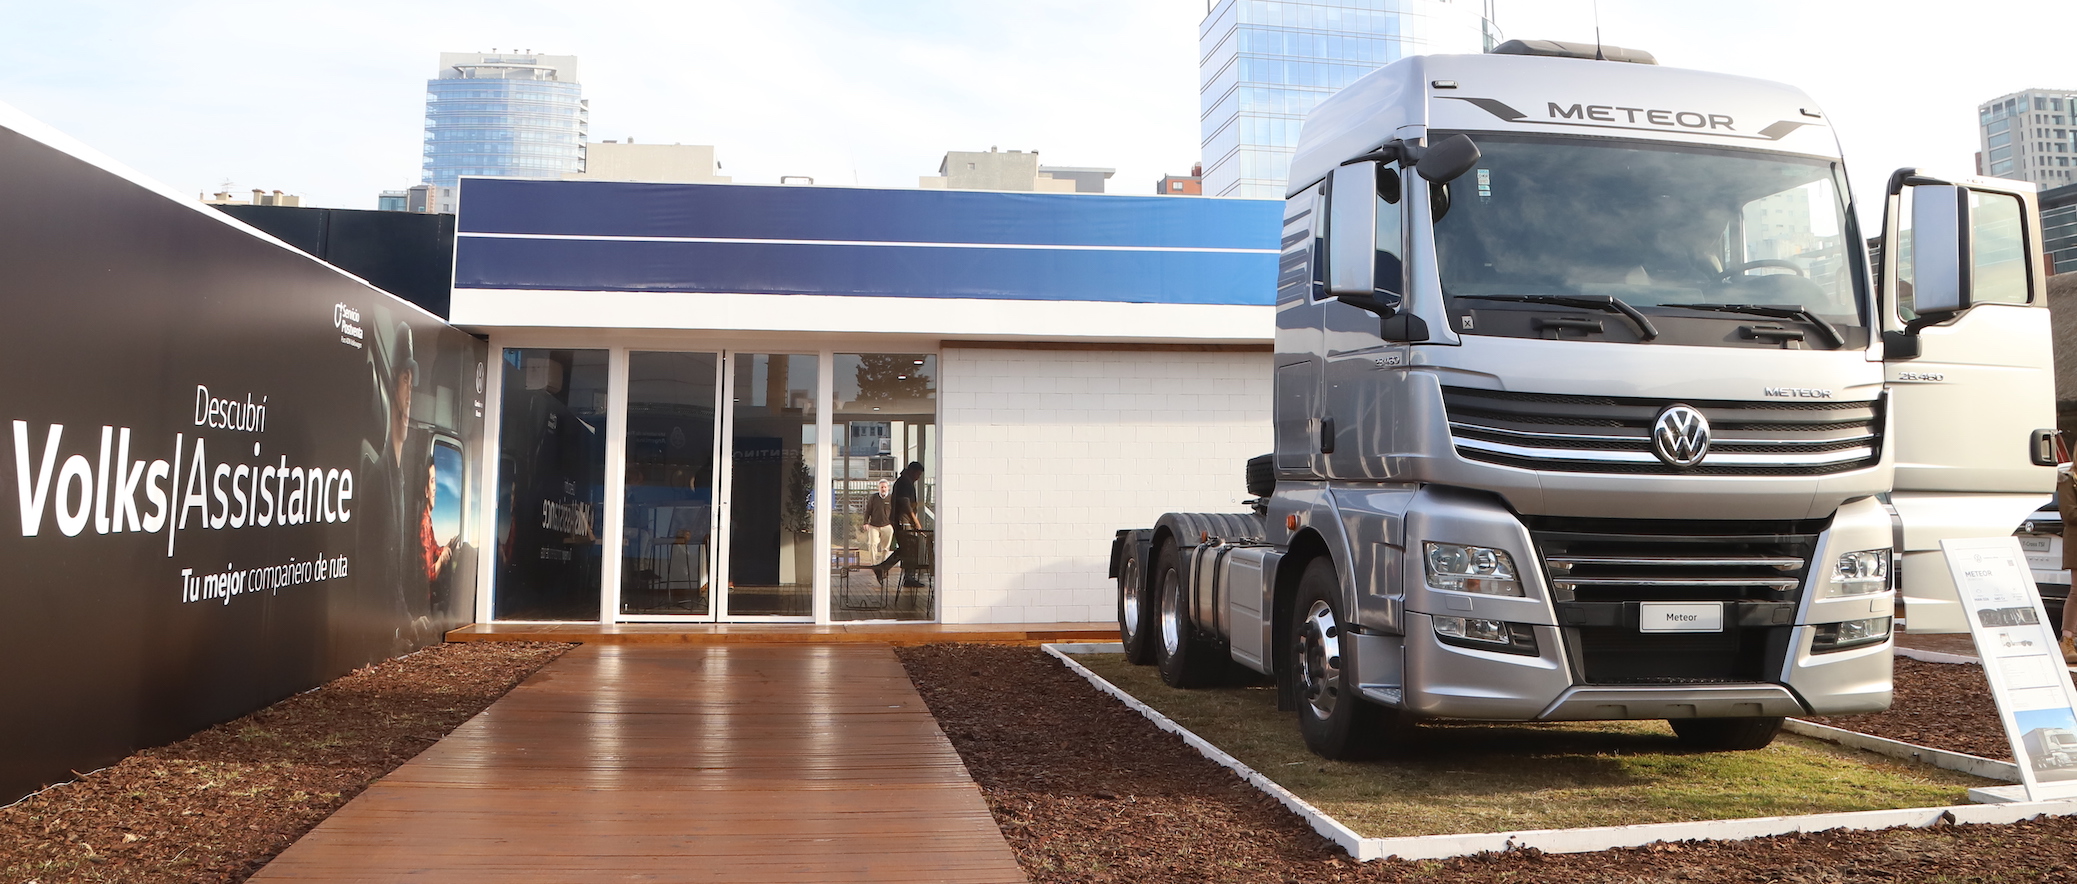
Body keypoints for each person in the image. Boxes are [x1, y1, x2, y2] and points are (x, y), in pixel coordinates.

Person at [871, 462, 927, 588]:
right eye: (917, 474)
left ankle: (884, 568)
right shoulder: (904, 483)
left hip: (901, 520)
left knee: (906, 549)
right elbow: (905, 504)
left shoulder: (902, 482)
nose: (918, 478)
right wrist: (915, 521)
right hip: (904, 521)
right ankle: (905, 575)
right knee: (909, 548)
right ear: (912, 471)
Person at [858, 480, 893, 569]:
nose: (883, 489)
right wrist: (865, 522)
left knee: (885, 547)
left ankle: (883, 564)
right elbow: (868, 510)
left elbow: (895, 512)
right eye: (881, 487)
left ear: (888, 488)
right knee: (872, 544)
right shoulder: (873, 497)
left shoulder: (891, 498)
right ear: (878, 488)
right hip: (874, 525)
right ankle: (874, 564)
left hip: (887, 525)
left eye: (885, 487)